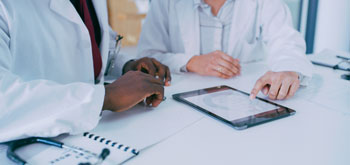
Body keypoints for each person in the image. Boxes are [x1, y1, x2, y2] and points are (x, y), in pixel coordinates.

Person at [0, 0, 171, 142]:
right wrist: (105, 97)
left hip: (99, 133)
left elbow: (91, 42)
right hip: (34, 145)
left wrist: (126, 65)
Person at [138, 0, 313, 100]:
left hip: (245, 99)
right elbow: (146, 57)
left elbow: (285, 40)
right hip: (180, 101)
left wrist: (287, 69)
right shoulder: (165, 2)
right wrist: (190, 62)